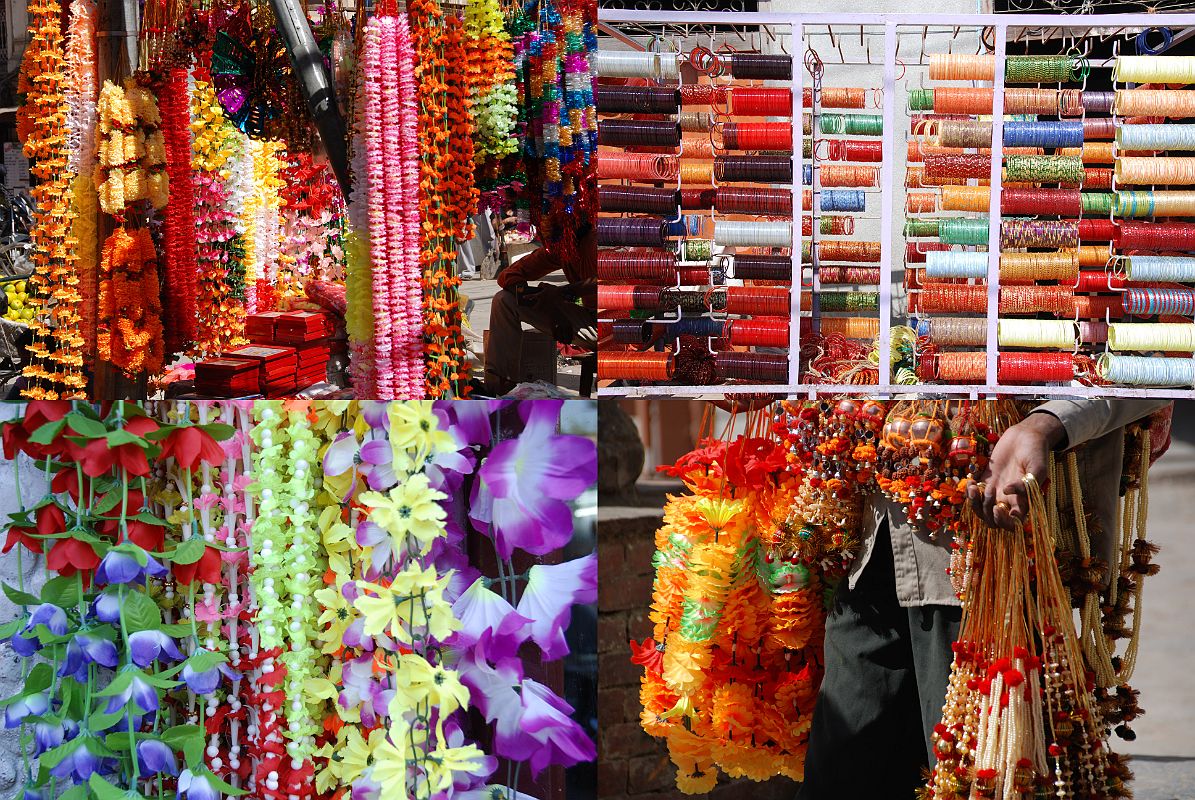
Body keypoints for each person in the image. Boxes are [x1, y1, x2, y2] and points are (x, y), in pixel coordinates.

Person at [797, 399, 1171, 799]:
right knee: (841, 774)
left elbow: (1154, 354)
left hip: (1000, 556)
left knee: (986, 777)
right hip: (869, 541)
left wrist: (1045, 425)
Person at [484, 226, 597, 395]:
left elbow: (606, 283)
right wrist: (553, 310)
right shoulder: (562, 248)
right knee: (504, 300)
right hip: (587, 318)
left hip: (613, 327)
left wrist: (563, 293)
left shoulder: (594, 241)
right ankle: (501, 385)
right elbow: (509, 274)